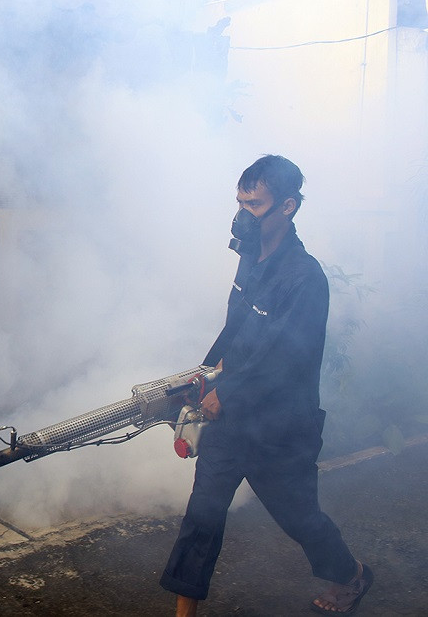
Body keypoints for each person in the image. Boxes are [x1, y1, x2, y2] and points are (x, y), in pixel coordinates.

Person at [159, 155, 373, 615]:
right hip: (231, 419)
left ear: (288, 207)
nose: (243, 214)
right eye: (240, 203)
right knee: (202, 514)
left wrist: (226, 393)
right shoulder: (249, 259)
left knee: (300, 517)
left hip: (280, 426)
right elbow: (237, 328)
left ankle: (351, 574)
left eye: (254, 205)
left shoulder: (305, 278)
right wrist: (206, 375)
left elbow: (286, 359)